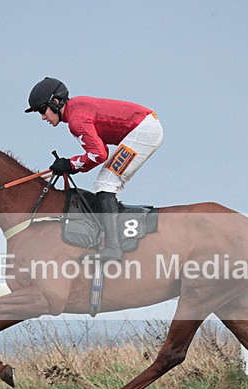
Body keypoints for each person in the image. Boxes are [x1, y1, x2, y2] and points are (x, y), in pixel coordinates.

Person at [25, 77, 163, 260]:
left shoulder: (76, 120)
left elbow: (98, 154)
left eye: (43, 110)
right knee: (106, 181)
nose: (43, 117)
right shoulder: (75, 109)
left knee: (106, 182)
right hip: (144, 126)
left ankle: (113, 247)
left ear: (55, 102)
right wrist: (72, 164)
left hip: (144, 131)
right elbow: (102, 150)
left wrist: (70, 164)